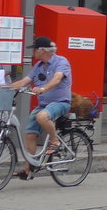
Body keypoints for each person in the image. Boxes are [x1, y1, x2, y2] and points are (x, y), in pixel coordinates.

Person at [7, 36, 72, 179]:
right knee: (29, 134)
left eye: (34, 50)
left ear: (42, 50)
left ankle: (54, 141)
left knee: (41, 116)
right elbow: (25, 81)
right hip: (44, 104)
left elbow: (57, 79)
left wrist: (43, 88)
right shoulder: (38, 66)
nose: (33, 53)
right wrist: (5, 87)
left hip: (60, 102)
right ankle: (28, 169)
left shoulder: (61, 62)